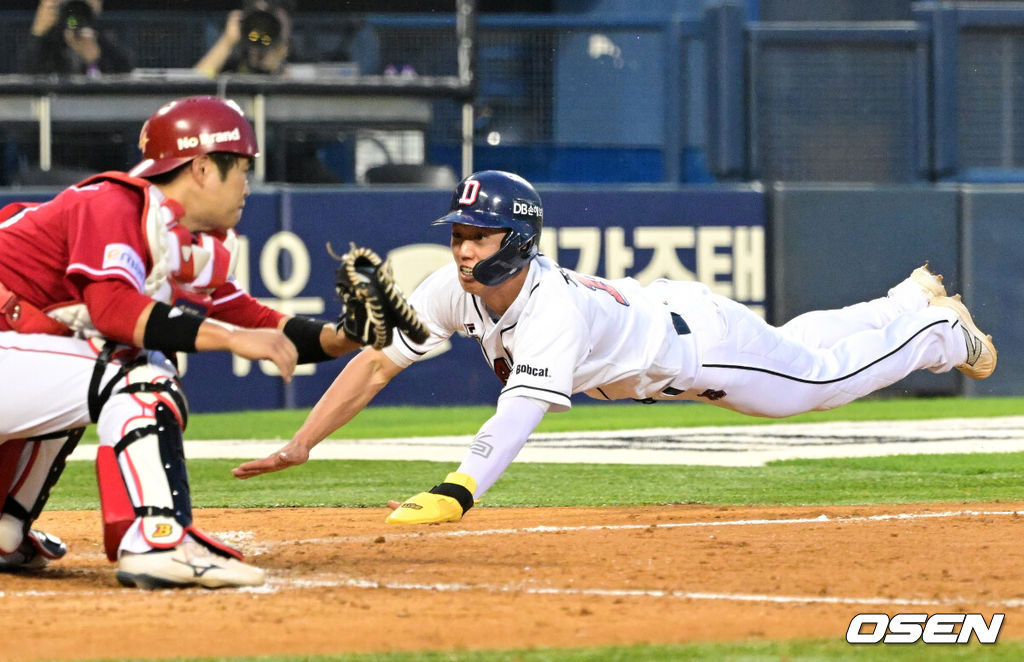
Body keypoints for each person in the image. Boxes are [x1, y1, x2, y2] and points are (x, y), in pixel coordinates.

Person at [232, 170, 998, 525]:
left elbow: (518, 415)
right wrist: (301, 444)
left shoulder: (549, 308)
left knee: (815, 383)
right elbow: (374, 364)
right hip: (664, 327)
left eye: (479, 236)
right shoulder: (449, 288)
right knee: (796, 347)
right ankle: (901, 301)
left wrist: (458, 489)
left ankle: (934, 334)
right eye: (458, 236)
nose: (463, 250)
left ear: (520, 239)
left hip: (692, 349)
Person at [0, 95, 378, 588]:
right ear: (201, 168)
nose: (248, 183)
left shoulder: (177, 238)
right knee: (136, 374)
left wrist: (347, 336)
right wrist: (232, 339)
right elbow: (114, 312)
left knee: (108, 371)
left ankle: (7, 529)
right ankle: (159, 541)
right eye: (241, 167)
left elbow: (262, 323)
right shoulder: (113, 203)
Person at [19, 0, 132, 76]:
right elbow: (28, 75)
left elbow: (124, 75)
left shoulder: (107, 38)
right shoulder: (49, 42)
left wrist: (94, 62)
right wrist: (38, 33)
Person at [194, 0, 293, 77]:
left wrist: (277, 67)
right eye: (257, 20)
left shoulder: (296, 66)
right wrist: (227, 41)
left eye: (270, 24)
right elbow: (193, 87)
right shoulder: (232, 64)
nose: (261, 31)